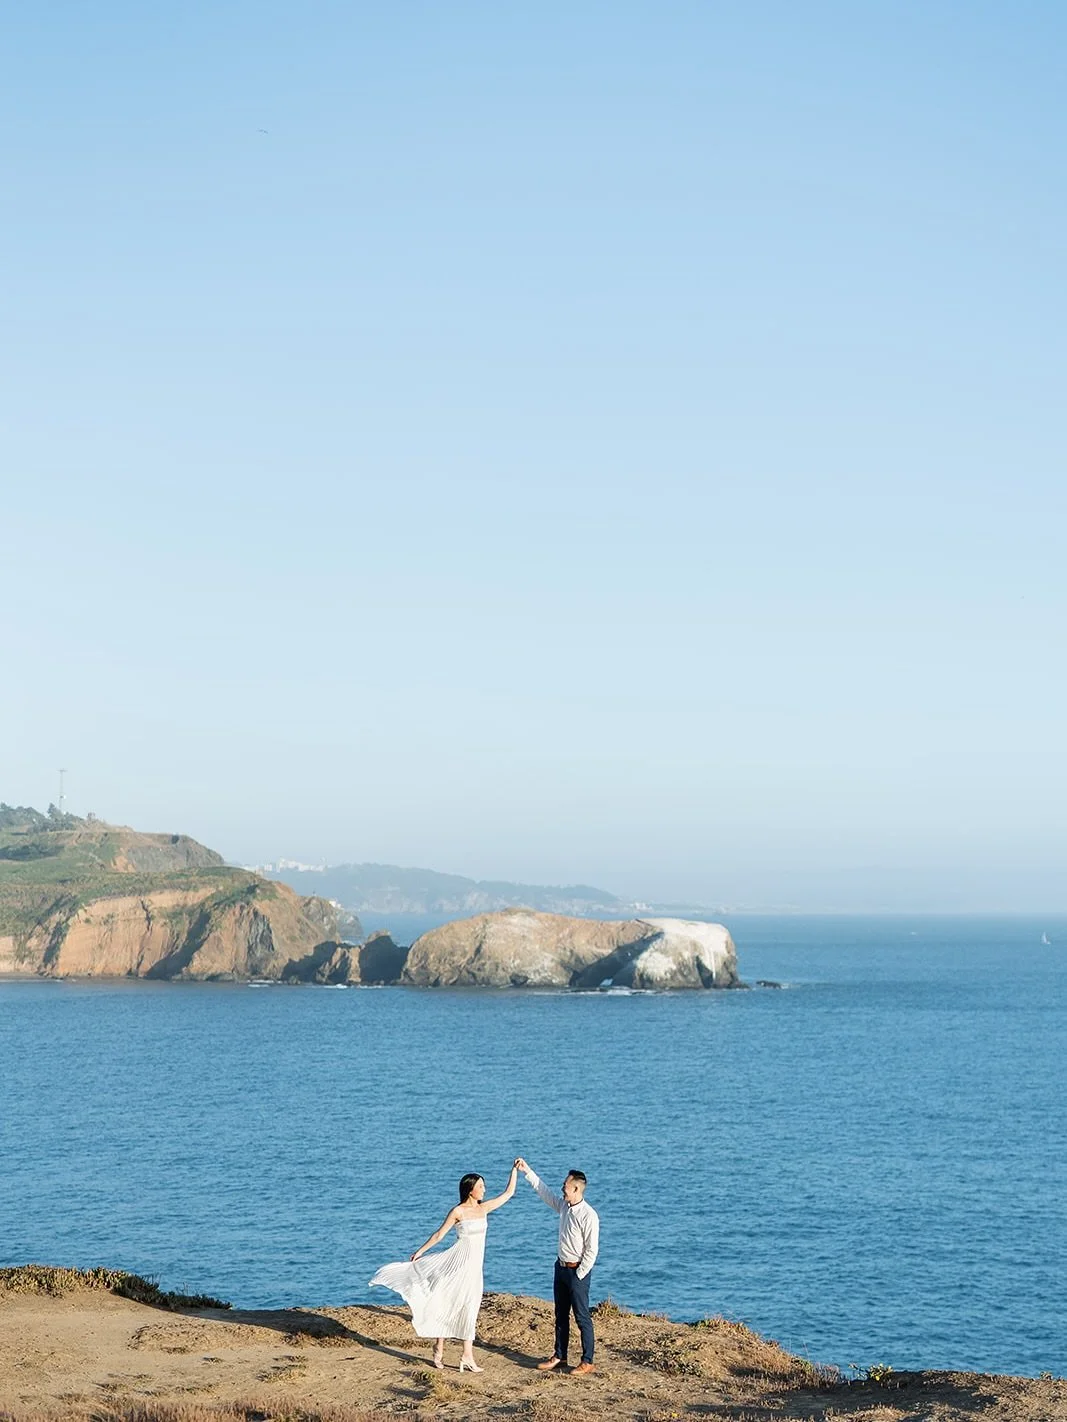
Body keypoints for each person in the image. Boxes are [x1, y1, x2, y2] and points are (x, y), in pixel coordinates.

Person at [369, 1162, 518, 1372]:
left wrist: (514, 1170)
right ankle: (439, 1346)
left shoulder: (484, 1208)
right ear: (470, 1189)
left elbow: (508, 1193)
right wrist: (420, 1251)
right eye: (481, 1186)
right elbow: (439, 1235)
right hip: (458, 1263)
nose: (484, 1189)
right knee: (449, 1304)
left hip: (475, 1269)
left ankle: (467, 1355)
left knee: (471, 1307)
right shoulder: (458, 1211)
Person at [515, 1157, 600, 1375]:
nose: (562, 1188)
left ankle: (587, 1360)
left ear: (576, 1188)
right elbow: (544, 1192)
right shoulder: (564, 1206)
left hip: (576, 1271)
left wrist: (579, 1274)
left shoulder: (588, 1215)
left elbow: (591, 1249)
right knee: (560, 1315)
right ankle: (560, 1355)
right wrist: (527, 1171)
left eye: (565, 1186)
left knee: (581, 1316)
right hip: (560, 1267)